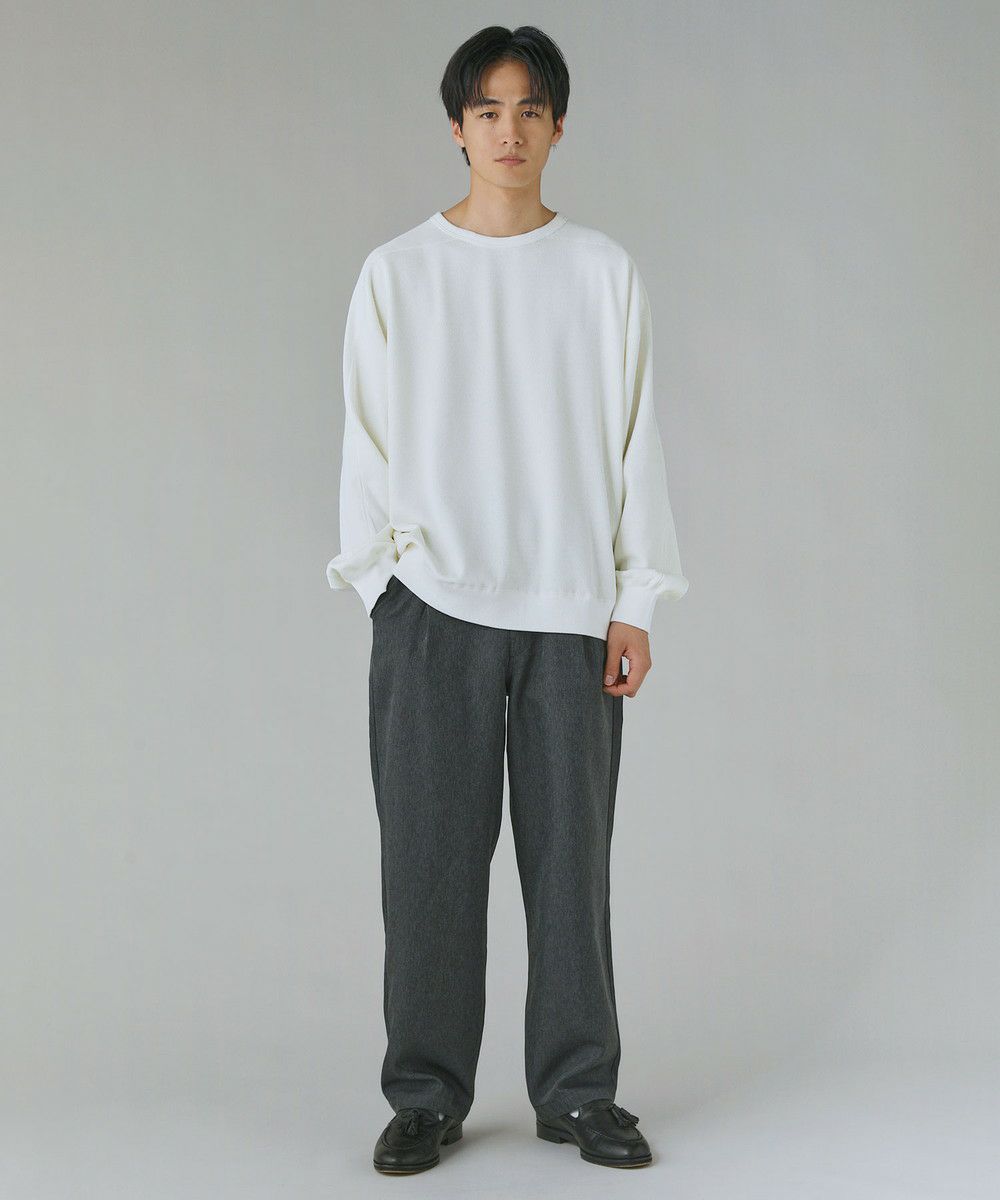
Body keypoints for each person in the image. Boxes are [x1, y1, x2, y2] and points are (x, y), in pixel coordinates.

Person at [326, 24, 689, 1175]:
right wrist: (383, 588)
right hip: (431, 607)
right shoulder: (399, 272)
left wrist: (635, 599)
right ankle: (426, 1094)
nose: (509, 129)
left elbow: (635, 440)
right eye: (487, 110)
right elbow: (365, 443)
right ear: (456, 127)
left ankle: (578, 1092)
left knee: (570, 867)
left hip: (570, 607)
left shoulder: (600, 272)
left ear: (558, 125)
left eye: (530, 109)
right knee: (428, 865)